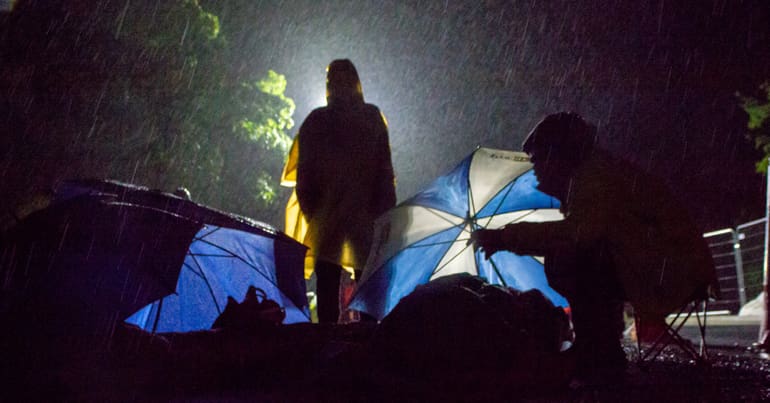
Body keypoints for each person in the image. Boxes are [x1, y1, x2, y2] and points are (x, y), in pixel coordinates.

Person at [471, 112, 717, 381]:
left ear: (558, 156)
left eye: (538, 159)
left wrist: (505, 238)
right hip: (664, 264)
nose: (535, 169)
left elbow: (578, 236)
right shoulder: (591, 176)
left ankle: (597, 351)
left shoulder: (594, 178)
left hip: (671, 271)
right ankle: (597, 348)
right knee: (571, 255)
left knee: (572, 259)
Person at [293, 59, 396, 323]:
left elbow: (303, 179)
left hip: (329, 219)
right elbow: (384, 174)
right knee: (368, 284)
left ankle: (330, 344)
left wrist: (315, 214)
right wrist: (385, 217)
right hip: (365, 217)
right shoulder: (371, 118)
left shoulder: (316, 122)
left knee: (328, 283)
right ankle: (369, 345)